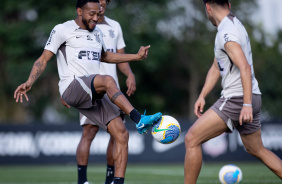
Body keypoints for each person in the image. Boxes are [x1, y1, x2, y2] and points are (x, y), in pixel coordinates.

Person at [14, 0, 162, 184]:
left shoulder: (98, 33)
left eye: (98, 14)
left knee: (121, 134)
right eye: (91, 14)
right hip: (72, 87)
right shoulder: (62, 29)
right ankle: (139, 119)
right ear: (79, 11)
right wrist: (30, 81)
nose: (95, 18)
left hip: (93, 90)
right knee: (108, 81)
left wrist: (136, 56)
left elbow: (105, 56)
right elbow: (43, 59)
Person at [184, 0, 282, 183]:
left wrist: (245, 105)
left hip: (238, 98)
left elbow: (244, 67)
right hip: (252, 95)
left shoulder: (226, 32)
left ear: (208, 7)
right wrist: (202, 95)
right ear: (228, 4)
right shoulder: (234, 25)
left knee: (191, 138)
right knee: (256, 149)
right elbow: (216, 66)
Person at [60, 0, 137, 183]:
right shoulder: (77, 27)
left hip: (113, 90)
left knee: (118, 134)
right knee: (89, 133)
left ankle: (111, 179)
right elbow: (66, 57)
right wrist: (66, 87)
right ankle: (82, 180)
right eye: (98, 2)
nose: (101, 6)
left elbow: (117, 55)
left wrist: (130, 73)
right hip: (88, 88)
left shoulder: (115, 27)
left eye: (104, 2)